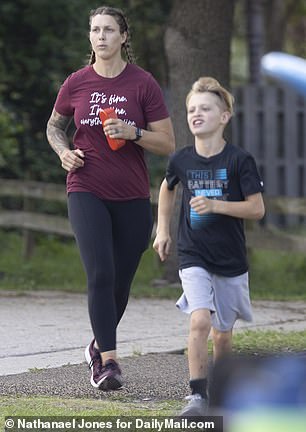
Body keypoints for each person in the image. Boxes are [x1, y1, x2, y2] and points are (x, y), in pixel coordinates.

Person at [46, 5, 175, 391]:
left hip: (133, 195)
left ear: (123, 37)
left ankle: (97, 344)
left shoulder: (143, 84)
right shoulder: (77, 82)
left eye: (108, 30)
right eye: (95, 30)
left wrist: (133, 131)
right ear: (90, 37)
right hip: (85, 187)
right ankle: (109, 364)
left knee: (119, 283)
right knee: (100, 273)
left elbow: (167, 142)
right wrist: (62, 152)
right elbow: (54, 125)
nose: (101, 36)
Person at [153, 77, 265, 416]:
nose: (196, 114)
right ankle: (197, 397)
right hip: (193, 254)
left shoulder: (239, 160)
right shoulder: (181, 160)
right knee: (199, 320)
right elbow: (167, 186)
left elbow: (257, 209)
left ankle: (223, 392)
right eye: (191, 110)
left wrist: (216, 206)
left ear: (224, 116)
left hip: (230, 259)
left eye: (205, 108)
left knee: (223, 336)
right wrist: (162, 229)